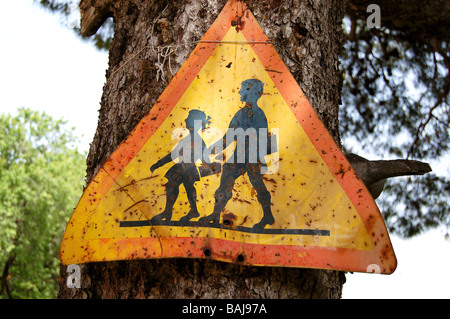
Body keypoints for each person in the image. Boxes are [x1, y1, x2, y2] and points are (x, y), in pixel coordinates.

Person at [199, 79, 276, 230]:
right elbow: (228, 137)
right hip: (238, 156)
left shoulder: (259, 115)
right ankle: (215, 214)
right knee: (225, 183)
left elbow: (262, 139)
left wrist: (260, 161)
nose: (240, 92)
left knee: (258, 186)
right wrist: (211, 150)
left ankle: (267, 215)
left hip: (252, 157)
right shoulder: (240, 113)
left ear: (251, 91)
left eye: (242, 89)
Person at [150, 109, 220, 224]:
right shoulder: (187, 139)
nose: (186, 120)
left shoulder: (198, 141)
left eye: (188, 118)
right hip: (180, 168)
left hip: (189, 169)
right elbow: (172, 155)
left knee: (188, 188)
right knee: (172, 185)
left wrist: (211, 166)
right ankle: (168, 211)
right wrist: (158, 164)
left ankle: (193, 211)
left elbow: (204, 159)